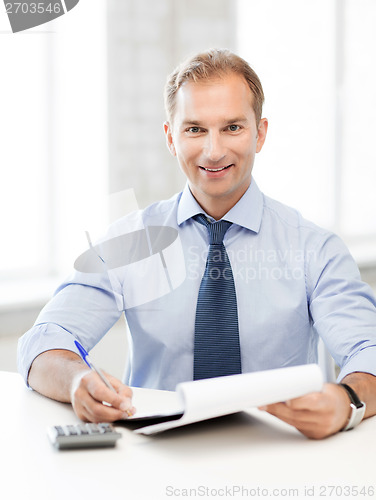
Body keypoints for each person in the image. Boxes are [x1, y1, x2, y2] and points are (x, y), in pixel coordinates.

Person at [18, 48, 376, 439]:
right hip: (157, 458)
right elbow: (45, 340)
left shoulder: (315, 249)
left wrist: (348, 400)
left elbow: (367, 350)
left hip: (280, 452)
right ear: (171, 137)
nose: (214, 150)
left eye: (232, 127)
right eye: (195, 129)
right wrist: (75, 381)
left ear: (260, 133)